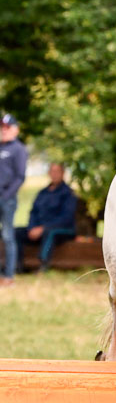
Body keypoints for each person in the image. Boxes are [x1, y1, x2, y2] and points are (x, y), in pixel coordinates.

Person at [15, 162, 77, 272]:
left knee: (50, 232)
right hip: (39, 229)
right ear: (48, 173)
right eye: (52, 171)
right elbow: (33, 212)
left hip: (63, 230)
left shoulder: (68, 193)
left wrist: (43, 228)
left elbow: (66, 218)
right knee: (16, 231)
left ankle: (43, 265)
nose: (54, 174)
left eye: (57, 171)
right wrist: (32, 227)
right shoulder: (42, 193)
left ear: (63, 173)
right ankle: (18, 266)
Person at [0, 114, 28, 286]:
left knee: (7, 235)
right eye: (2, 127)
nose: (4, 130)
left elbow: (20, 177)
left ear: (15, 129)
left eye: (7, 127)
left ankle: (9, 275)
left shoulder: (18, 149)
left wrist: (5, 196)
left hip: (7, 199)